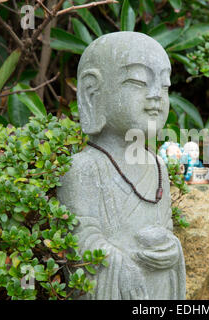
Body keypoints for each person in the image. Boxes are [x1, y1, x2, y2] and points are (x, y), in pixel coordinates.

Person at [57, 32, 186, 300]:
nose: (155, 96)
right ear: (93, 92)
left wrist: (171, 249)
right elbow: (79, 242)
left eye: (164, 86)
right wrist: (121, 266)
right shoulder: (84, 168)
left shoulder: (158, 165)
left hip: (158, 287)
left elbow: (165, 228)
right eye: (139, 81)